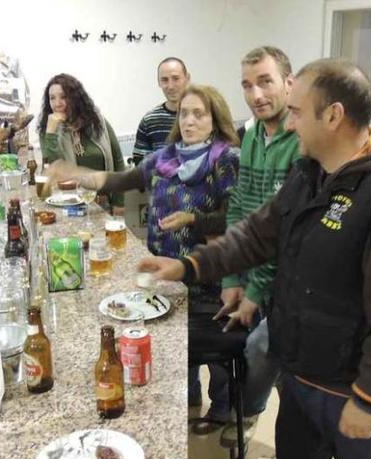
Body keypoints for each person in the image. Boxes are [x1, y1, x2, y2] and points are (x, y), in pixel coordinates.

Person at [139, 58, 371, 459]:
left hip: (350, 388)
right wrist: (191, 266)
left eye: (297, 112)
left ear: (333, 116)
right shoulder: (310, 174)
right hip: (299, 374)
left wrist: (368, 398)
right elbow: (257, 234)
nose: (290, 124)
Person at [48, 84, 240, 427]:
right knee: (178, 339)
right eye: (184, 113)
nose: (190, 120)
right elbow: (121, 180)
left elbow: (238, 220)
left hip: (209, 274)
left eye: (200, 113)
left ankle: (222, 406)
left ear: (215, 119)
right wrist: (75, 175)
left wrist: (193, 218)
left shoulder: (225, 159)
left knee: (215, 352)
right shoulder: (166, 157)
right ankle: (190, 393)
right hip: (165, 272)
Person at [214, 46, 299, 459]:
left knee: (281, 371)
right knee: (273, 366)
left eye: (265, 81)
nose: (255, 93)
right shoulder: (250, 135)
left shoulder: (302, 139)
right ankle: (263, 433)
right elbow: (240, 211)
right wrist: (231, 273)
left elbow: (282, 229)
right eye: (247, 84)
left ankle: (268, 436)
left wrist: (254, 288)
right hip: (255, 275)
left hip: (290, 284)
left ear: (290, 83)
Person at [38, 73, 126, 212]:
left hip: (102, 205)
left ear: (75, 98)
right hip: (68, 206)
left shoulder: (98, 122)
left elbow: (119, 163)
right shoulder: (48, 130)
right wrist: (50, 133)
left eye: (63, 97)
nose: (57, 104)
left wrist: (119, 203)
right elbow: (55, 169)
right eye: (52, 98)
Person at [131, 57, 191, 165]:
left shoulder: (205, 116)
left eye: (176, 78)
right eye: (164, 80)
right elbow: (140, 165)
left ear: (187, 79)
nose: (170, 86)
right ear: (158, 82)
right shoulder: (149, 121)